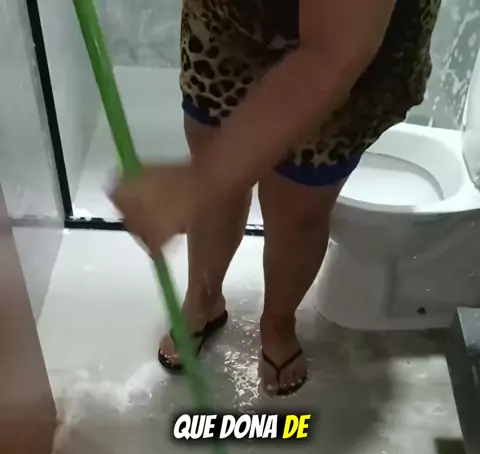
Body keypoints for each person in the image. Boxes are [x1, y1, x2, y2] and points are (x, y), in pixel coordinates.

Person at [112, 0, 441, 396]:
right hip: (229, 18)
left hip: (353, 45)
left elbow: (335, 51)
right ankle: (203, 298)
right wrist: (206, 183)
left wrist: (197, 183)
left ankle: (278, 322)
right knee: (216, 176)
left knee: (297, 209)